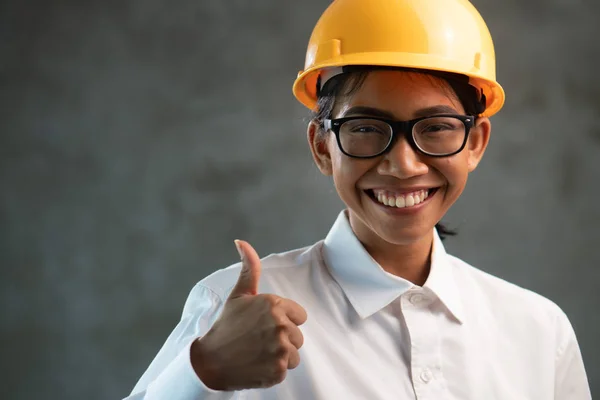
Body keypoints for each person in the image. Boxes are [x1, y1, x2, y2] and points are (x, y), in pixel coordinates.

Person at [125, 0, 591, 398]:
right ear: (322, 146)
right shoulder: (234, 313)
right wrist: (203, 370)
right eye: (366, 129)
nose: (404, 164)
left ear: (475, 143)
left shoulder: (537, 330)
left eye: (436, 128)